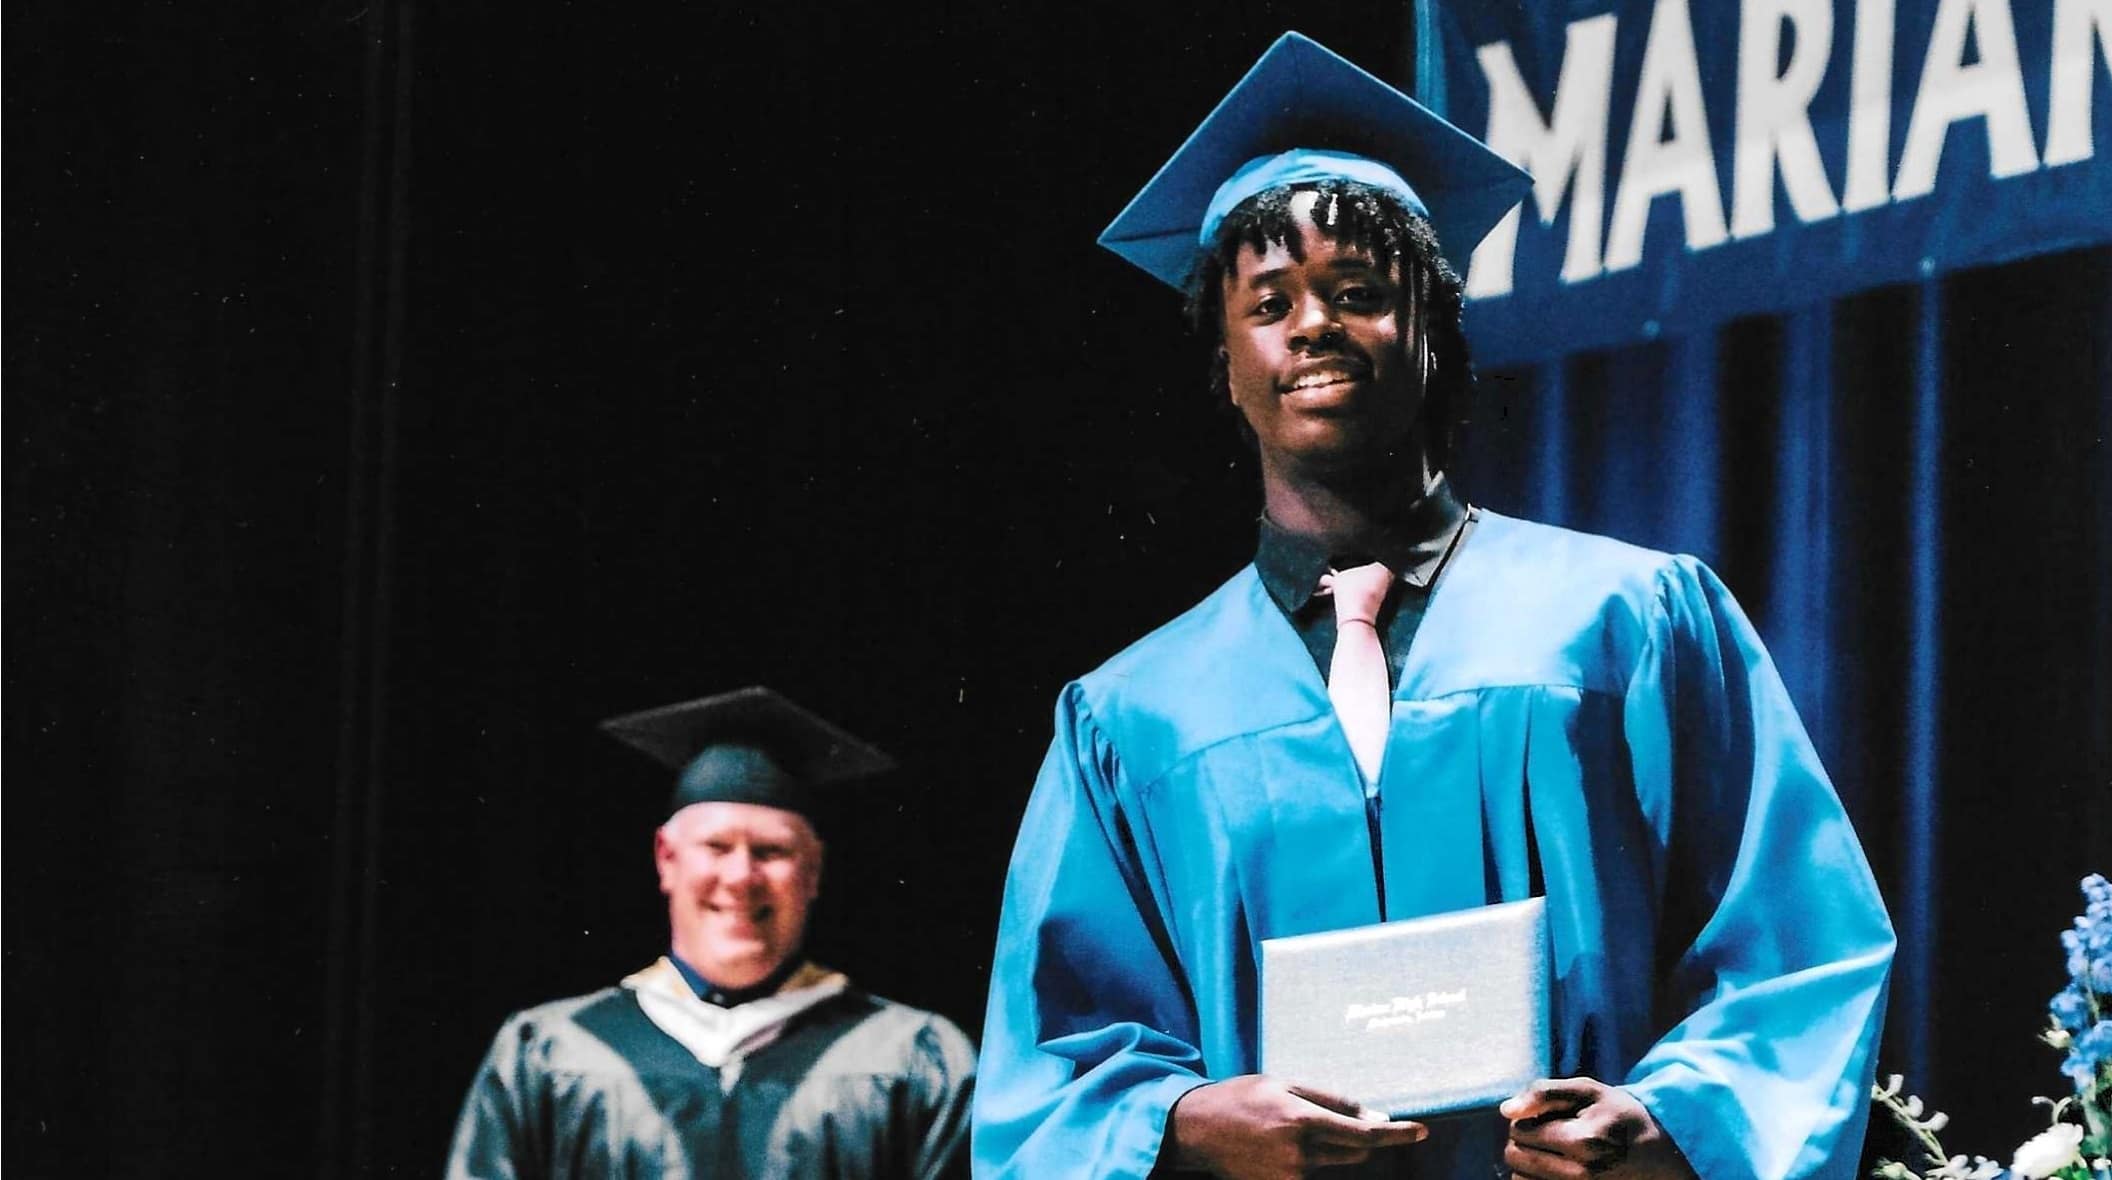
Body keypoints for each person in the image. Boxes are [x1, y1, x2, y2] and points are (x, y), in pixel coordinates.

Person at [973, 33, 1897, 1180]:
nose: (1311, 324)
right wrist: (1185, 1126)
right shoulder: (1132, 716)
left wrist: (1670, 1120)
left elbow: (1795, 946)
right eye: (1268, 301)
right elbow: (1054, 1053)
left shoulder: (1627, 616)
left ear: (1432, 324)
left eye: (1357, 291)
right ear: (1222, 355)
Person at [447, 687, 975, 1180]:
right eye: (716, 847)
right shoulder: (549, 1052)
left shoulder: (914, 1059)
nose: (741, 877)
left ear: (813, 872)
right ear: (666, 858)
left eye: (771, 852)